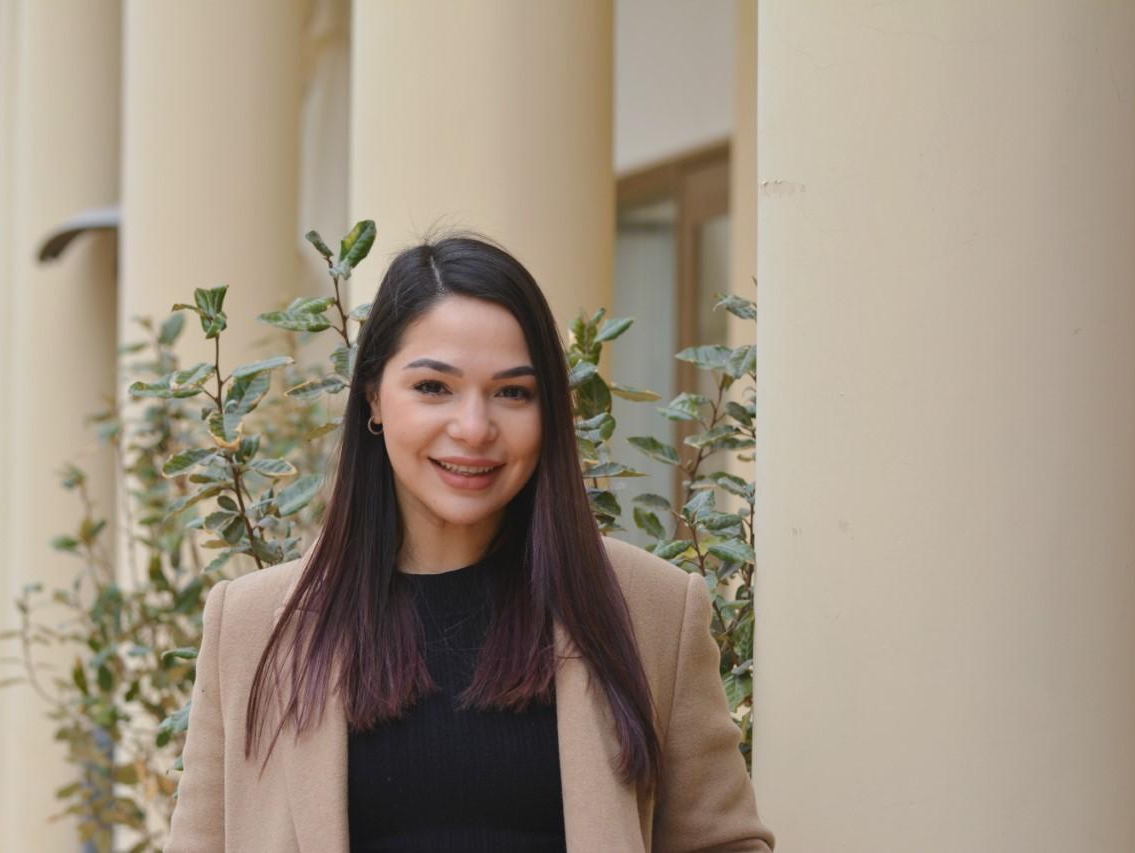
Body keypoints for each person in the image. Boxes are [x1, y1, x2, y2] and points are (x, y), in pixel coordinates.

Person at [165, 233, 775, 852]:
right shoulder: (249, 627)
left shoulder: (654, 610)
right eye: (434, 387)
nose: (475, 428)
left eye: (513, 392)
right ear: (374, 396)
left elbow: (722, 844)